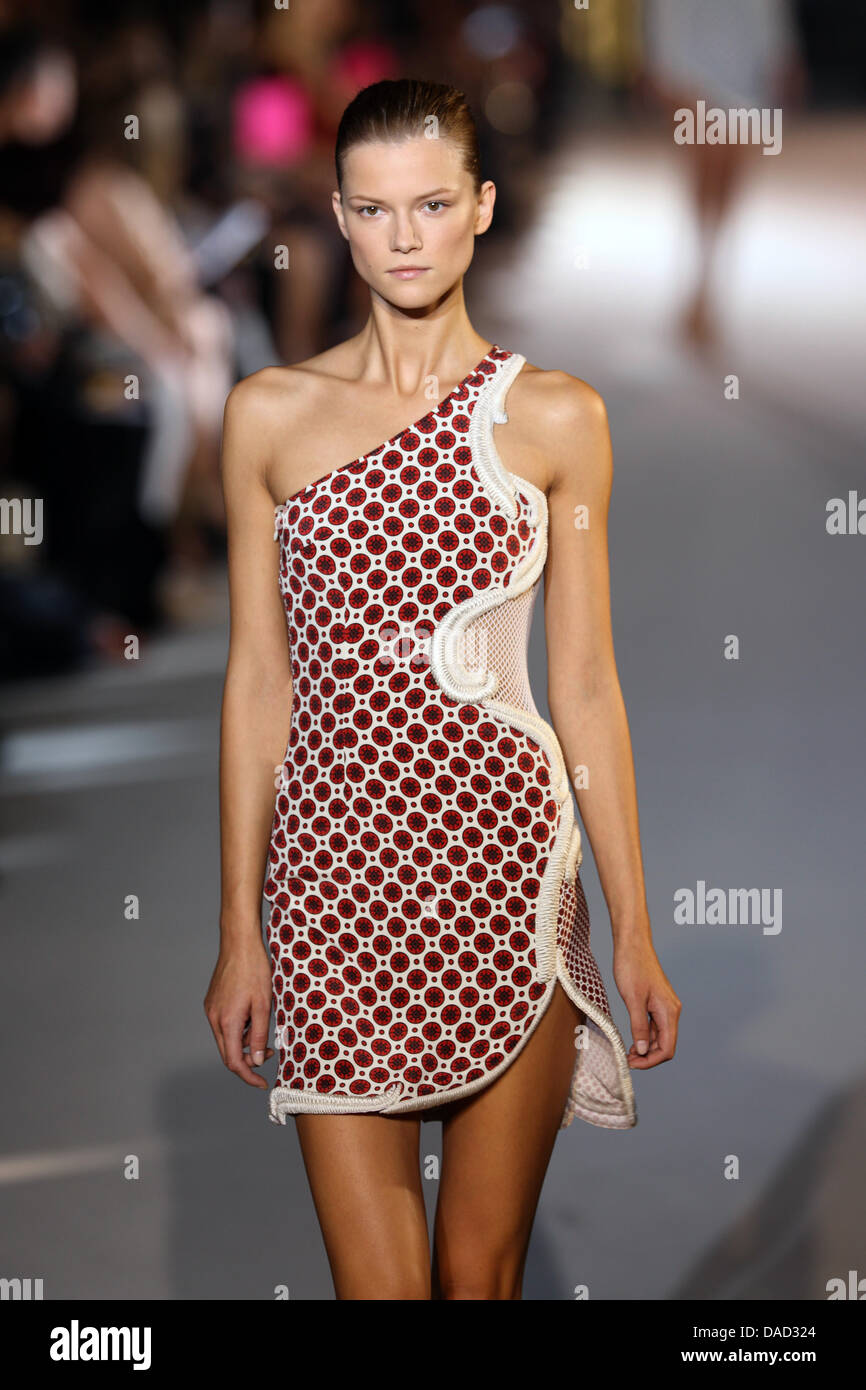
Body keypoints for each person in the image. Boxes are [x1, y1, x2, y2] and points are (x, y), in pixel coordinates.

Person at [205, 78, 680, 1301]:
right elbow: (259, 683)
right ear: (338, 216)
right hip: (331, 890)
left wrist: (631, 923)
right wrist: (235, 925)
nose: (402, 237)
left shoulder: (556, 419)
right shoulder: (267, 418)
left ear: (478, 208)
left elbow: (583, 685)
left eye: (429, 205)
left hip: (504, 869)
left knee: (478, 1280)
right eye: (372, 209)